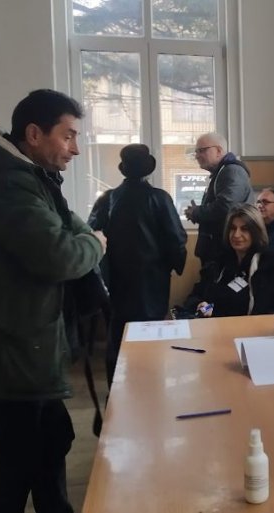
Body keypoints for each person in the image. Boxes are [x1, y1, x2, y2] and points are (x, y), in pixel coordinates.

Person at [0, 89, 106, 513]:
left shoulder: (29, 178)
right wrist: (96, 244)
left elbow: (69, 227)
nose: (75, 149)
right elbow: (62, 255)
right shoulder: (8, 185)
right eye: (68, 136)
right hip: (14, 352)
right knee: (15, 464)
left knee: (49, 442)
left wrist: (84, 237)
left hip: (26, 346)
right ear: (34, 134)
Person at [88, 144, 186, 386]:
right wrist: (174, 264)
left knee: (117, 335)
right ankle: (149, 385)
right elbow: (176, 238)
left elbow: (92, 234)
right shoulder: (159, 198)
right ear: (149, 169)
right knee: (150, 333)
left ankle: (117, 390)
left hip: (115, 280)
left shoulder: (108, 198)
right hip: (152, 280)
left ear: (123, 168)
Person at [183, 204, 274, 318]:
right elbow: (197, 298)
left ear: (255, 232)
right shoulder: (219, 263)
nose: (236, 235)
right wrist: (202, 306)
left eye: (244, 229)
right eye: (232, 228)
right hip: (216, 325)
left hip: (256, 327)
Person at [183, 132, 251, 268]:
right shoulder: (222, 172)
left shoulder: (232, 171)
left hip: (225, 252)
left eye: (202, 150)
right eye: (196, 152)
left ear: (219, 151)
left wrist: (197, 212)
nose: (197, 156)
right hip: (218, 250)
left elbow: (227, 207)